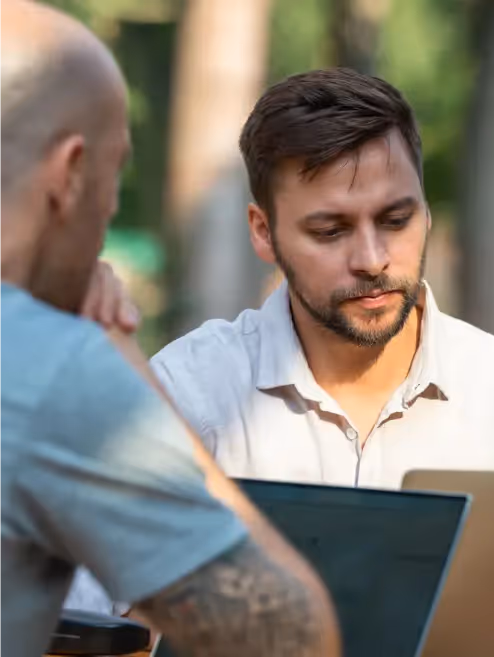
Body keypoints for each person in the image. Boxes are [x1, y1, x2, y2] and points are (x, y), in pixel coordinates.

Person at [69, 67, 494, 609]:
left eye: (395, 220)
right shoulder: (188, 394)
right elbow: (86, 626)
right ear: (263, 231)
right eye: (330, 231)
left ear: (427, 212)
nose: (371, 260)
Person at [0, 3, 340, 656]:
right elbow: (290, 636)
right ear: (70, 173)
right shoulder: (51, 367)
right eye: (113, 174)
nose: (111, 206)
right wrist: (120, 365)